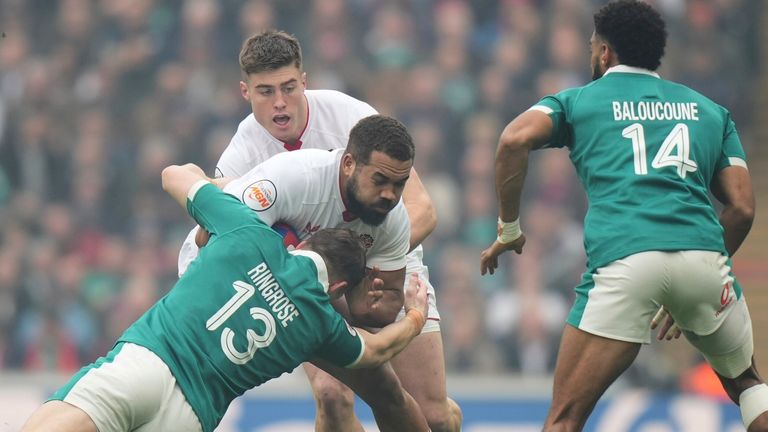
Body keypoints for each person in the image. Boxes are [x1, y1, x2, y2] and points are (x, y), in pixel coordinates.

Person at [479, 1, 768, 431]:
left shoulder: (577, 102)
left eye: (591, 46)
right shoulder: (709, 111)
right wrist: (701, 266)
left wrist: (509, 228)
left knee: (564, 418)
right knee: (746, 383)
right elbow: (742, 208)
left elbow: (512, 139)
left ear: (604, 53)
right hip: (706, 261)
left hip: (626, 261)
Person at [186, 30, 461, 431]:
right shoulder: (240, 157)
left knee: (434, 417)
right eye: (265, 92)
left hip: (386, 266)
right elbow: (216, 235)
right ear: (244, 92)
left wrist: (359, 264)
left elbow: (422, 210)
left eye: (288, 88)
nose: (280, 103)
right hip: (316, 288)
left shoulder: (351, 117)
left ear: (305, 81)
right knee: (332, 396)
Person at [21, 163, 430, 432]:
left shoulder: (248, 230)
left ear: (304, 242)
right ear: (338, 288)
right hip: (191, 416)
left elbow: (173, 175)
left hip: (149, 363)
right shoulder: (322, 326)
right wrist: (414, 317)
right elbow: (375, 352)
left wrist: (222, 190)